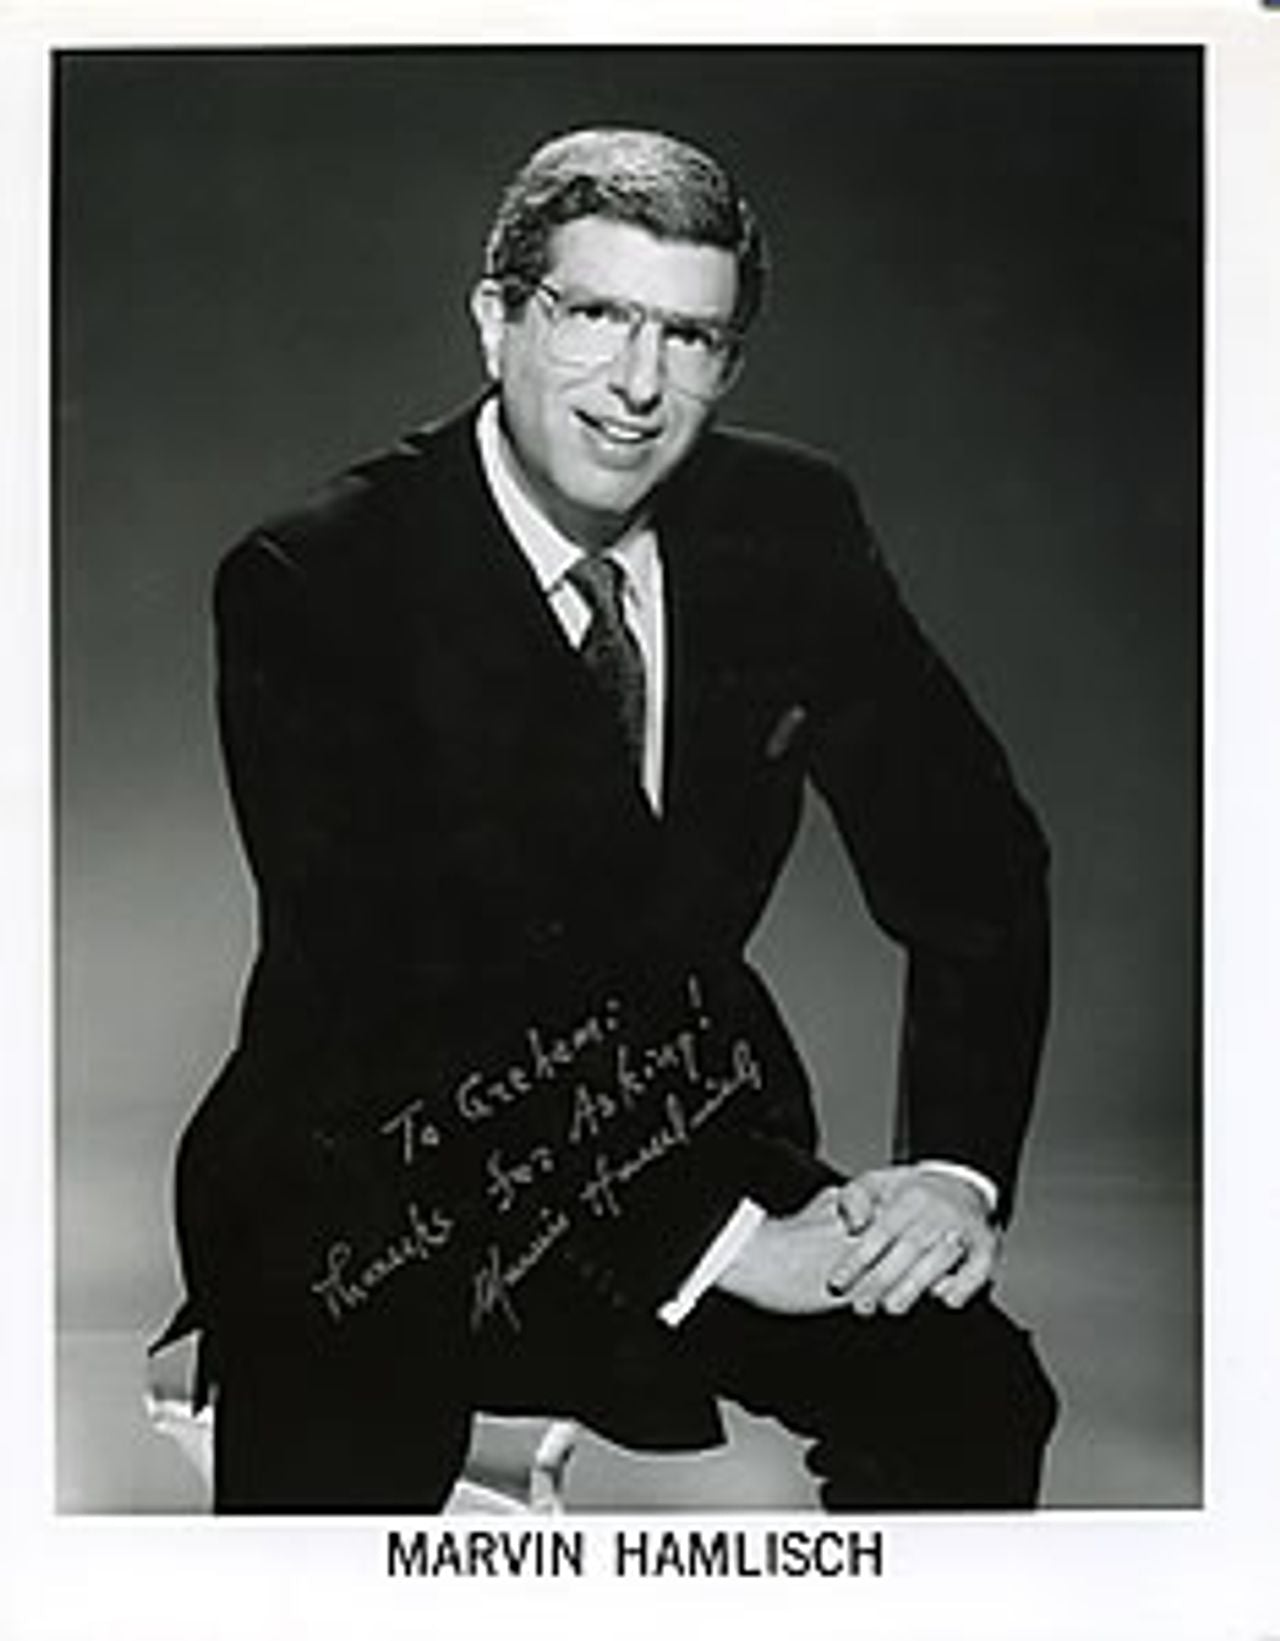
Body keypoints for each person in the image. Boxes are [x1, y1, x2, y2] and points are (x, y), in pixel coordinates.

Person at [165, 127, 1058, 1513]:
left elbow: (976, 859)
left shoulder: (788, 525)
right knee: (331, 1536)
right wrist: (731, 1245)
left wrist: (952, 1177)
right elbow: (393, 1006)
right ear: (497, 318)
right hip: (377, 1179)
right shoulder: (318, 580)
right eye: (595, 316)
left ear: (728, 361)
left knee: (972, 1395)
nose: (639, 385)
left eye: (689, 337)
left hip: (674, 1130)